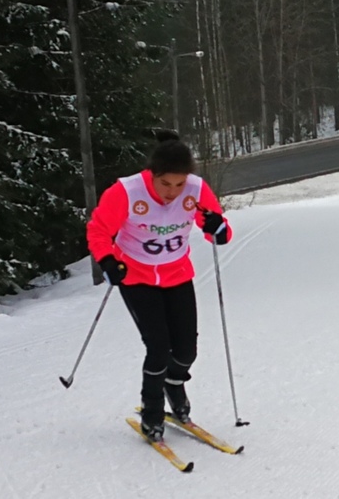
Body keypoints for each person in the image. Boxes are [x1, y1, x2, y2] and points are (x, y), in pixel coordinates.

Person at [86, 130, 232, 443]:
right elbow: (98, 231)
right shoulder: (126, 191)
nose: (172, 192)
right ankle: (152, 412)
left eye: (179, 184)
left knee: (186, 350)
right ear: (152, 174)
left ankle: (173, 384)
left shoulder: (196, 189)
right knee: (158, 348)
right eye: (165, 183)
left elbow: (218, 230)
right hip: (135, 276)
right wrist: (107, 261)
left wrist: (217, 227)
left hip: (177, 274)